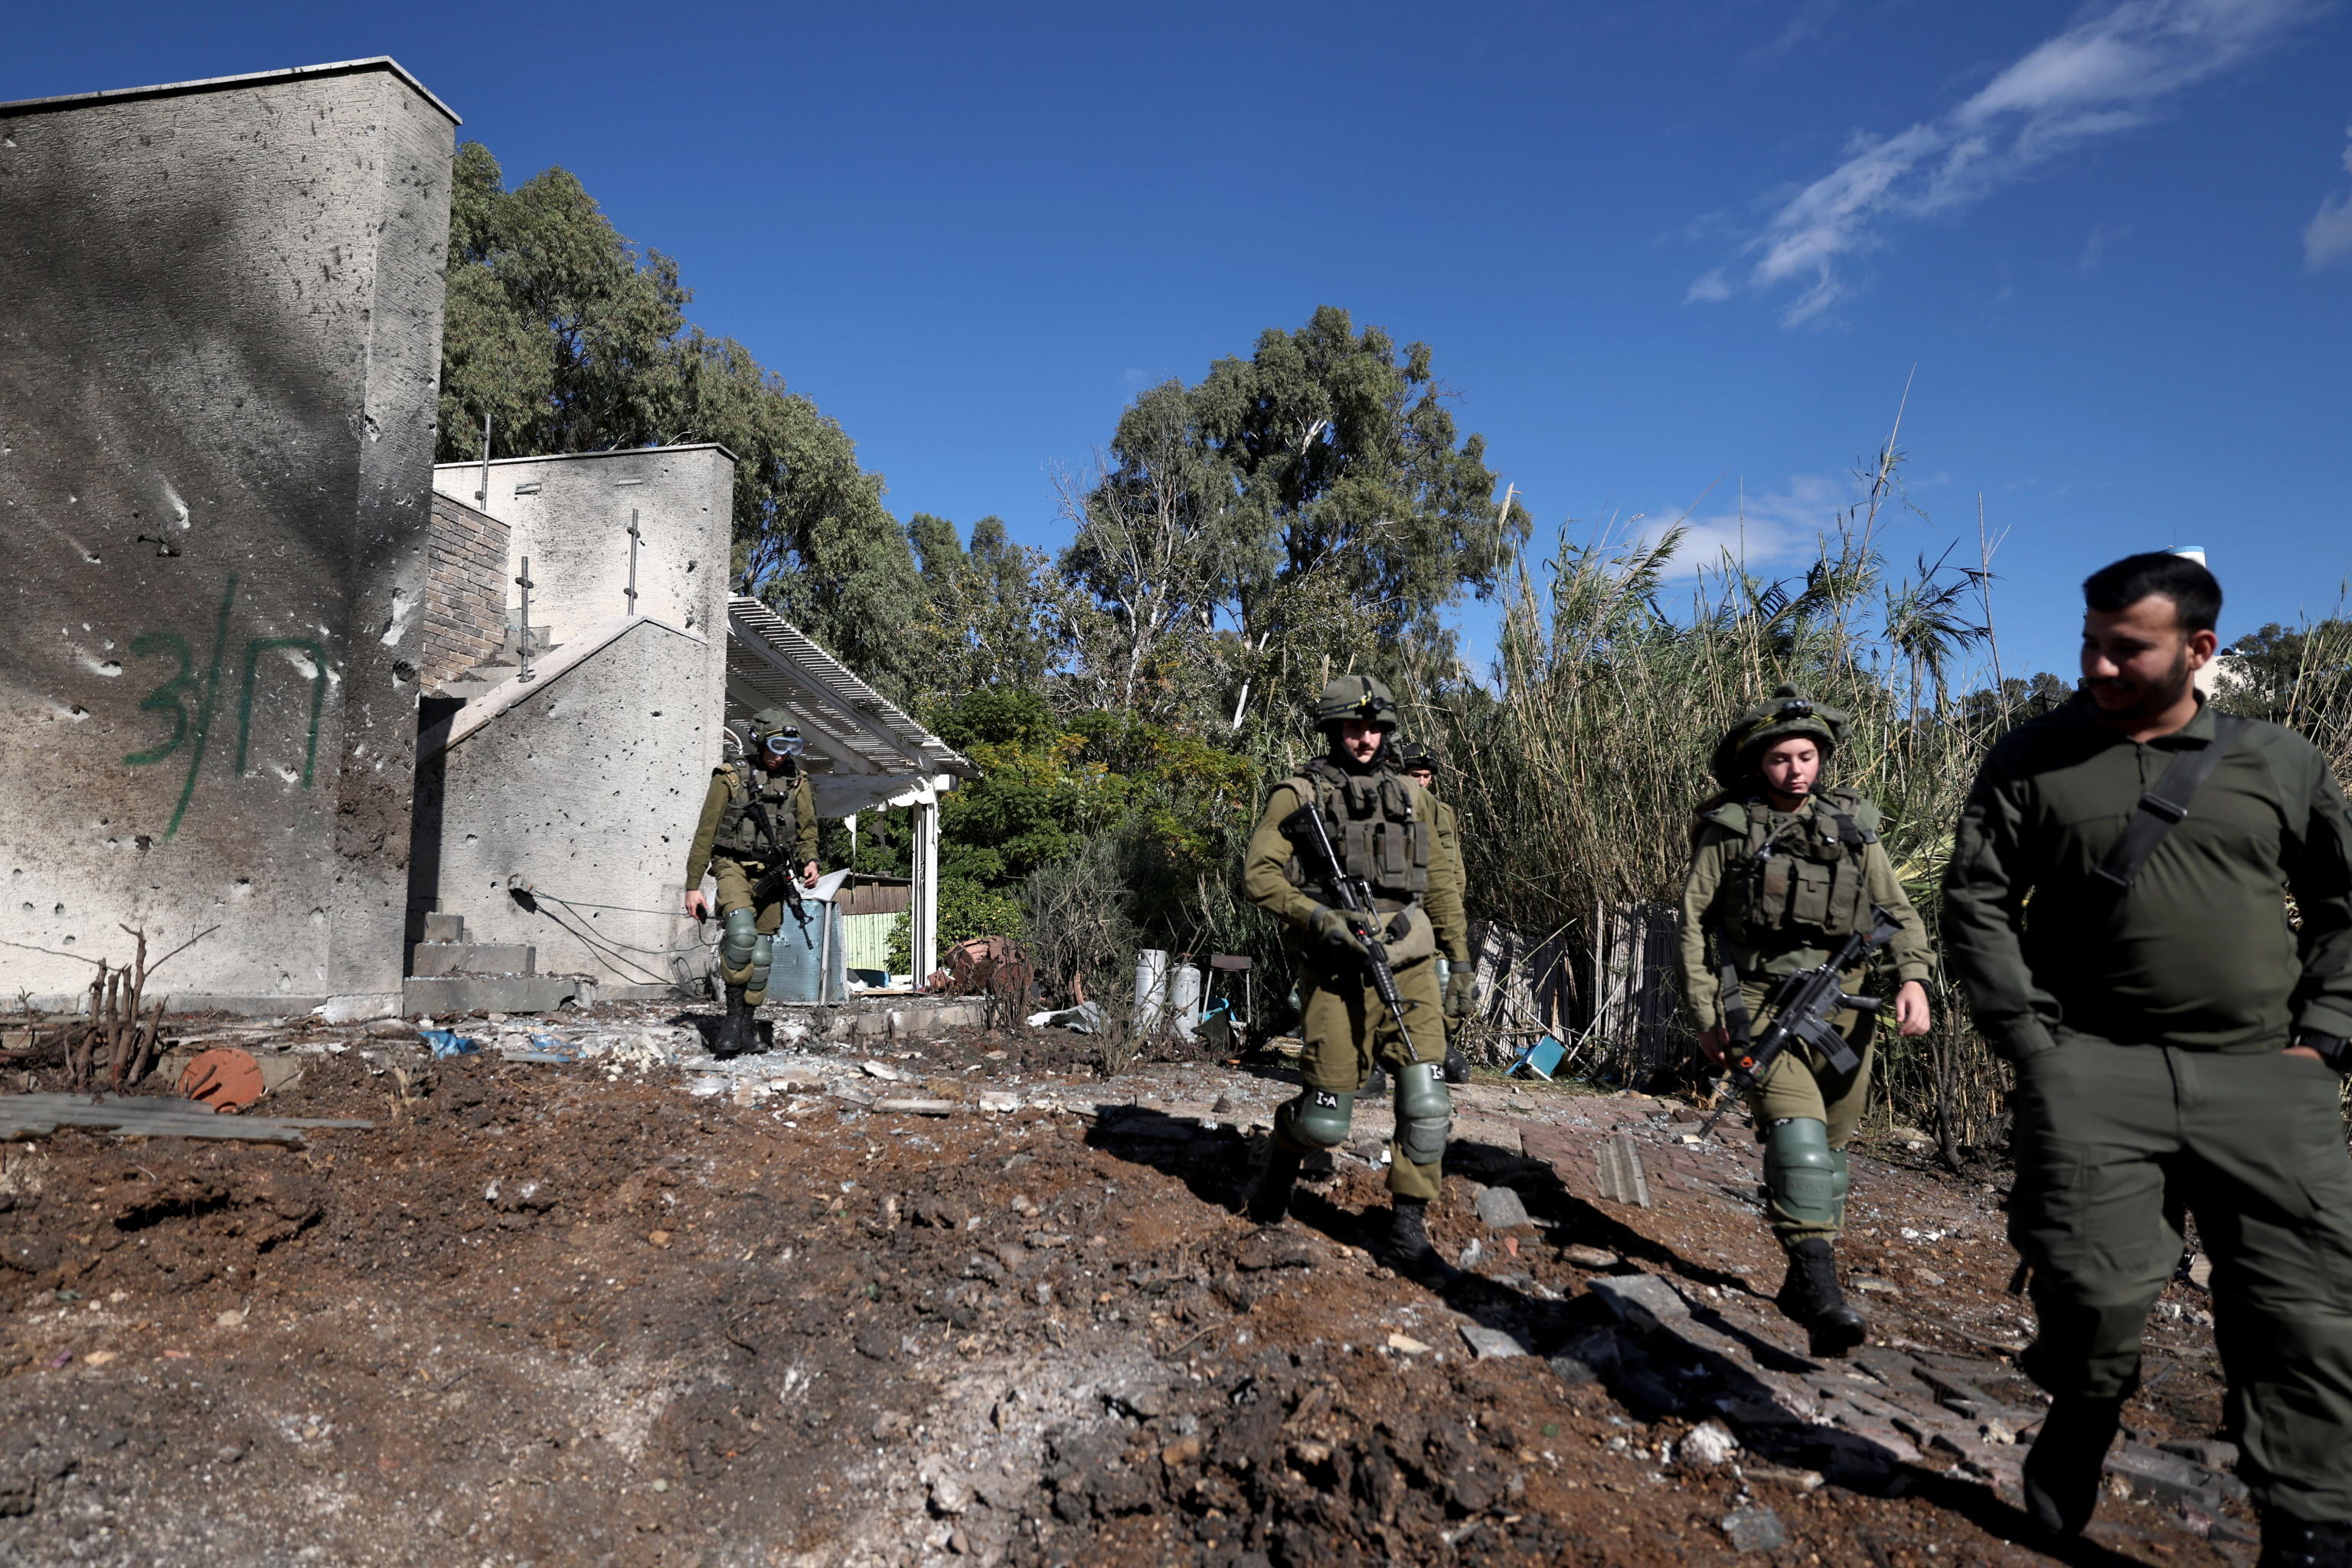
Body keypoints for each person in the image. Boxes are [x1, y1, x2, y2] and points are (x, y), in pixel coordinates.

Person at [1943, 552, 2352, 1559]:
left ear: (2198, 650)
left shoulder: (2280, 762)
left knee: (2306, 1317)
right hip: (2095, 1071)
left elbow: (2346, 907)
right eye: (2090, 642)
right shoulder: (2033, 757)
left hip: (2265, 1077)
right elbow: (1976, 904)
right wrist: (2036, 1047)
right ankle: (2081, 1412)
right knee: (2091, 1293)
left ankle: (2309, 1526)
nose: (2099, 664)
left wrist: (2326, 1037)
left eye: (2127, 648)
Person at [1677, 684, 1933, 1354]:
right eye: (1782, 759)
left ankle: (1800, 1274)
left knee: (1836, 1151)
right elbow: (1694, 927)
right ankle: (1821, 1292)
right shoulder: (1729, 830)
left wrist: (1913, 978)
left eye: (1807, 756)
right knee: (1800, 1138)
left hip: (1845, 1010)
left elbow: (1897, 912)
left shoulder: (1852, 826)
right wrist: (1708, 1014)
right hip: (1761, 1007)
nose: (1796, 770)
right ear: (1758, 764)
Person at [1240, 676, 1472, 1277]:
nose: (1365, 739)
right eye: (1353, 727)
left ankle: (1406, 1229)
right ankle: (1280, 1163)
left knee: (1426, 1101)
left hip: (1412, 964)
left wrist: (1462, 962)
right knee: (1323, 1121)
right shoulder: (1296, 794)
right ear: (1334, 730)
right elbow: (1260, 878)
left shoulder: (1412, 798)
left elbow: (1442, 885)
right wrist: (1320, 918)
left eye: (1374, 728)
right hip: (1336, 966)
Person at [684, 708, 820, 1057]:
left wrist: (811, 860)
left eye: (790, 746)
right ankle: (730, 1020)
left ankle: (747, 1026)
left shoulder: (797, 781)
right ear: (759, 742)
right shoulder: (729, 777)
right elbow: (705, 832)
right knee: (741, 935)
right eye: (776, 745)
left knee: (760, 955)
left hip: (773, 872)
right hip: (732, 866)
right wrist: (693, 884)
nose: (782, 754)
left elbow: (806, 829)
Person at [1390, 736, 1477, 1084]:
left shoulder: (1443, 813)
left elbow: (1453, 866)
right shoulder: (1387, 807)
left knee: (1446, 983)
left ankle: (1441, 1047)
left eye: (1426, 776)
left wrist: (1450, 909)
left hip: (1435, 912)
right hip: (1394, 913)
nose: (1421, 782)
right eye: (1415, 775)